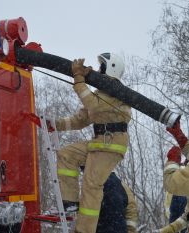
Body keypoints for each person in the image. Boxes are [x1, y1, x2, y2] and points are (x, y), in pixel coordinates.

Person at [53, 53, 131, 233]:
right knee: (67, 154)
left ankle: (84, 230)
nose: (98, 70)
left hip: (112, 145)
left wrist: (79, 80)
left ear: (109, 68)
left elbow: (93, 105)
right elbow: (82, 118)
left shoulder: (116, 91)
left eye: (101, 67)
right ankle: (70, 203)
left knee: (91, 184)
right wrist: (55, 125)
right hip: (99, 143)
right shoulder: (101, 93)